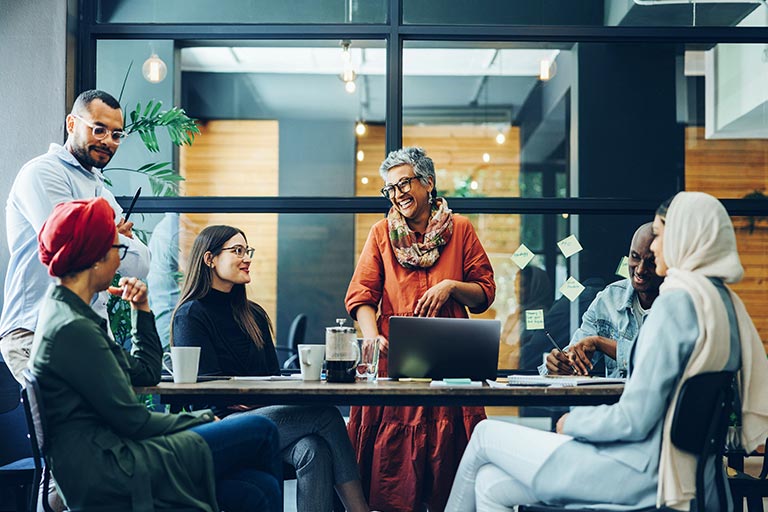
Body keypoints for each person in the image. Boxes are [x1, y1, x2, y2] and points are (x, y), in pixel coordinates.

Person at [445, 191, 768, 511]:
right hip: (690, 475)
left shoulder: (675, 303)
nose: (654, 247)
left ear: (685, 236)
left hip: (639, 471)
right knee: (490, 484)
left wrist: (570, 423)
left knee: (485, 433)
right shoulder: (722, 304)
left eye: (659, 235)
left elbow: (634, 419)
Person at [30, 198, 282, 511]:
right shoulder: (73, 329)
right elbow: (134, 422)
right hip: (114, 468)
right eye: (117, 250)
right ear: (94, 257)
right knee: (262, 430)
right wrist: (206, 418)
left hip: (116, 456)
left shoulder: (72, 317)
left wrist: (141, 309)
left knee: (258, 488)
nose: (119, 261)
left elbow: (146, 373)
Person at [171, 224, 371, 512]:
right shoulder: (191, 315)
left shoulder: (253, 315)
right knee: (326, 416)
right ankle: (360, 510)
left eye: (247, 250)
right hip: (220, 426)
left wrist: (251, 397)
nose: (246, 257)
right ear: (209, 259)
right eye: (237, 251)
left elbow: (272, 378)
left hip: (262, 416)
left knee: (313, 449)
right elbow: (208, 394)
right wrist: (251, 396)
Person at [345, 147, 496, 511]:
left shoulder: (460, 229)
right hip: (395, 361)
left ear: (427, 183)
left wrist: (451, 287)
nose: (397, 194)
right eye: (390, 189)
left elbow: (484, 293)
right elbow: (361, 296)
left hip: (452, 362)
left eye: (403, 184)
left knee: (451, 470)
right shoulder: (382, 233)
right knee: (393, 477)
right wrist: (370, 336)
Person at [1, 89, 150, 385]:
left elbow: (140, 264)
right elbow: (68, 247)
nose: (108, 140)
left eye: (117, 134)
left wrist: (104, 237)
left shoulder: (101, 191)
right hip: (38, 330)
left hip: (88, 336)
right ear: (72, 124)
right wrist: (112, 236)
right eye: (99, 129)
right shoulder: (42, 173)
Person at [543, 222, 662, 377]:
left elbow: (657, 360)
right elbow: (576, 351)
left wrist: (600, 343)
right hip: (611, 400)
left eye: (651, 262)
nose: (640, 269)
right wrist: (561, 363)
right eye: (635, 257)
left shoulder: (676, 305)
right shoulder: (608, 299)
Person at [499, 265, 552, 369]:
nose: (516, 290)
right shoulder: (514, 316)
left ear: (537, 286)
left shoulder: (542, 317)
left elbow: (531, 349)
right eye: (515, 285)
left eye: (522, 285)